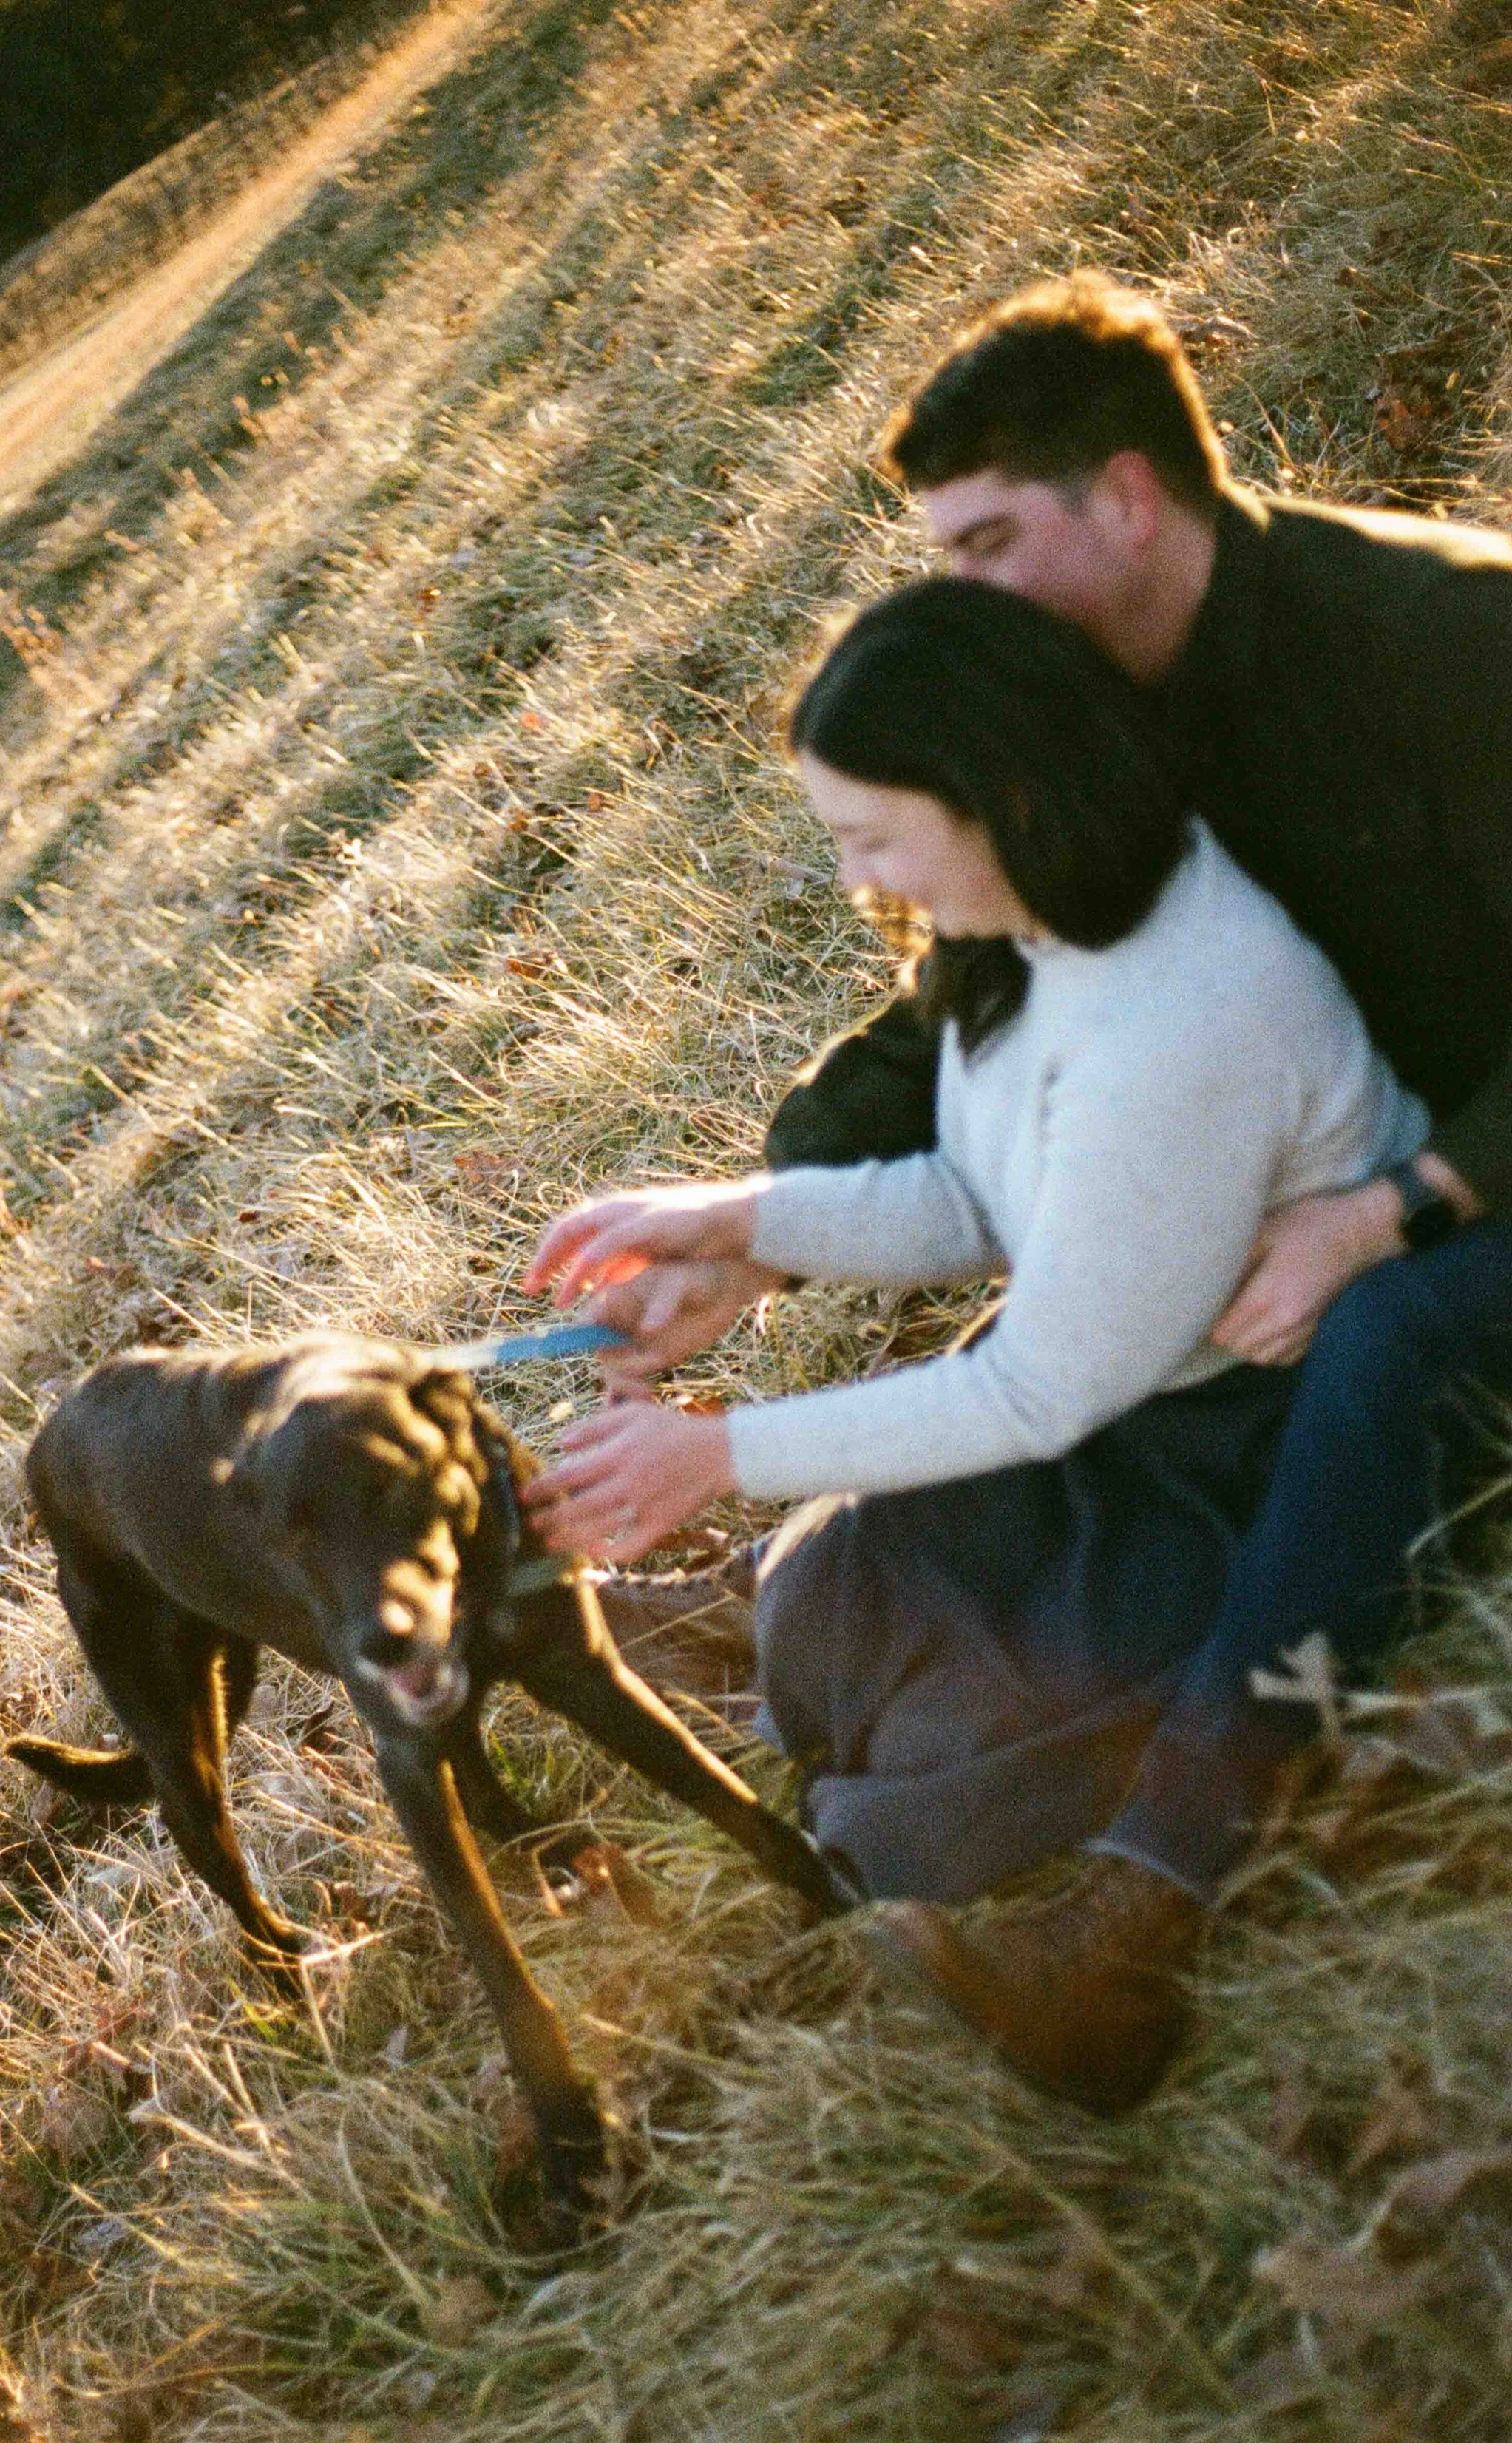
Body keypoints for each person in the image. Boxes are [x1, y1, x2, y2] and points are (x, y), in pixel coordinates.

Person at [528, 275, 1512, 2118]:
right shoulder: (1061, 742)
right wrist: (745, 1229)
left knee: (1348, 1347)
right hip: (1278, 1159)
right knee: (1101, 1339)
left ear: (1126, 500)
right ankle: (807, 1609)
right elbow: (973, 1073)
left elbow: (1066, 1309)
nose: (957, 598)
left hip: (1457, 1181)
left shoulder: (1442, 641)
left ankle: (1147, 1909)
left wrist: (1408, 1204)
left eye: (988, 543)